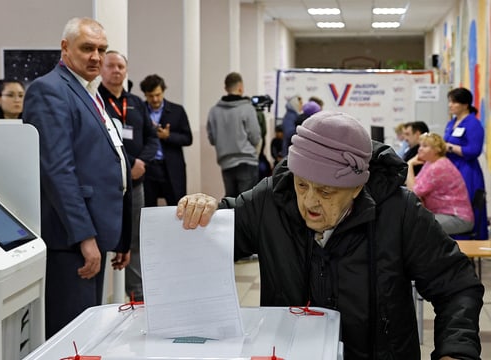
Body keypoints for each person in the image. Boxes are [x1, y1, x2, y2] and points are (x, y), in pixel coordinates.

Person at [175, 111, 483, 360]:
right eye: (302, 185)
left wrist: (455, 352)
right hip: (288, 354)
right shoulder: (271, 199)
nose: (309, 202)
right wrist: (203, 210)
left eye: (326, 191)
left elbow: (456, 287)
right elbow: (218, 233)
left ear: (359, 187)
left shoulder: (399, 211)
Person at [22, 17, 132, 338]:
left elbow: (111, 162)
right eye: (87, 48)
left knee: (88, 329)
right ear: (65, 48)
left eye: (101, 49)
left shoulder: (91, 92)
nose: (96, 56)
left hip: (97, 233)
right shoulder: (50, 90)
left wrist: (121, 235)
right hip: (71, 239)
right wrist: (84, 237)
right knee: (71, 336)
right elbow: (58, 170)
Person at [99, 50, 159, 301]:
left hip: (136, 184)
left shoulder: (135, 103)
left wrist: (142, 162)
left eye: (121, 67)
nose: (116, 71)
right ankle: (101, 298)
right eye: (111, 66)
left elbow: (151, 137)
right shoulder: (95, 102)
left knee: (134, 237)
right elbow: (102, 143)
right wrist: (130, 163)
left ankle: (137, 294)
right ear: (102, 70)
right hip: (107, 184)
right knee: (103, 238)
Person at [139, 74, 193, 206]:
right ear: (145, 95)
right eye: (151, 96)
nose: (155, 99)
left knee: (177, 207)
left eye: (158, 94)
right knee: (148, 209)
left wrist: (168, 136)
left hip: (171, 168)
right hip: (148, 168)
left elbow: (188, 138)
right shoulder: (140, 111)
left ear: (163, 91)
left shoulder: (177, 111)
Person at [406, 132, 474, 235]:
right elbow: (415, 184)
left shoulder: (438, 167)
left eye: (425, 146)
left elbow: (413, 192)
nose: (420, 149)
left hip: (457, 218)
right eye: (420, 145)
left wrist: (409, 165)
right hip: (444, 214)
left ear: (437, 149)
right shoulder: (430, 163)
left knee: (416, 225)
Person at [207, 72, 261, 197]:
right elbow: (255, 137)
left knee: (231, 203)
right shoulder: (247, 108)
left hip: (226, 164)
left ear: (225, 88)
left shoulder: (214, 111)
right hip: (247, 162)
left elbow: (212, 139)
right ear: (241, 87)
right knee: (247, 203)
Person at [444, 87, 488, 240]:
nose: (450, 105)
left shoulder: (473, 124)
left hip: (466, 170)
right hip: (451, 168)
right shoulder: (451, 123)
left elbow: (473, 151)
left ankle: (469, 240)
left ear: (465, 104)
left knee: (466, 205)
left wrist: (449, 147)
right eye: (450, 102)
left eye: (454, 102)